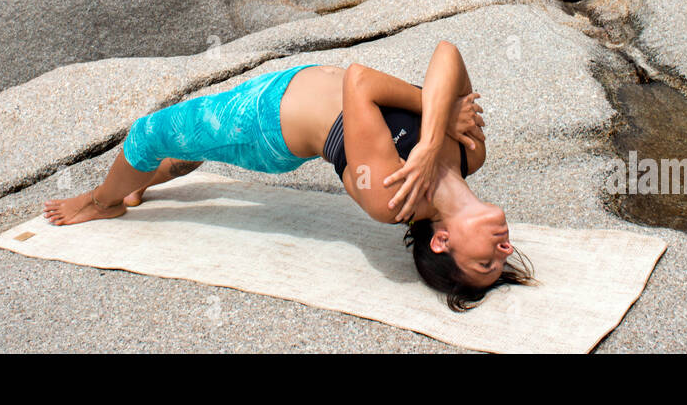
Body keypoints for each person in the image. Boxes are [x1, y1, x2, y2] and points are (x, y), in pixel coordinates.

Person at [43, 40, 533, 309]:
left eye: (486, 264)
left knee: (149, 134)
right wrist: (435, 128)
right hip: (294, 87)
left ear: (442, 242)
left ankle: (101, 202)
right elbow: (448, 52)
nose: (504, 250)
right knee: (187, 152)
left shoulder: (395, 199)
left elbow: (360, 82)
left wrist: (435, 115)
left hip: (265, 121)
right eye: (499, 262)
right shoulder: (470, 154)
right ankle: (140, 185)